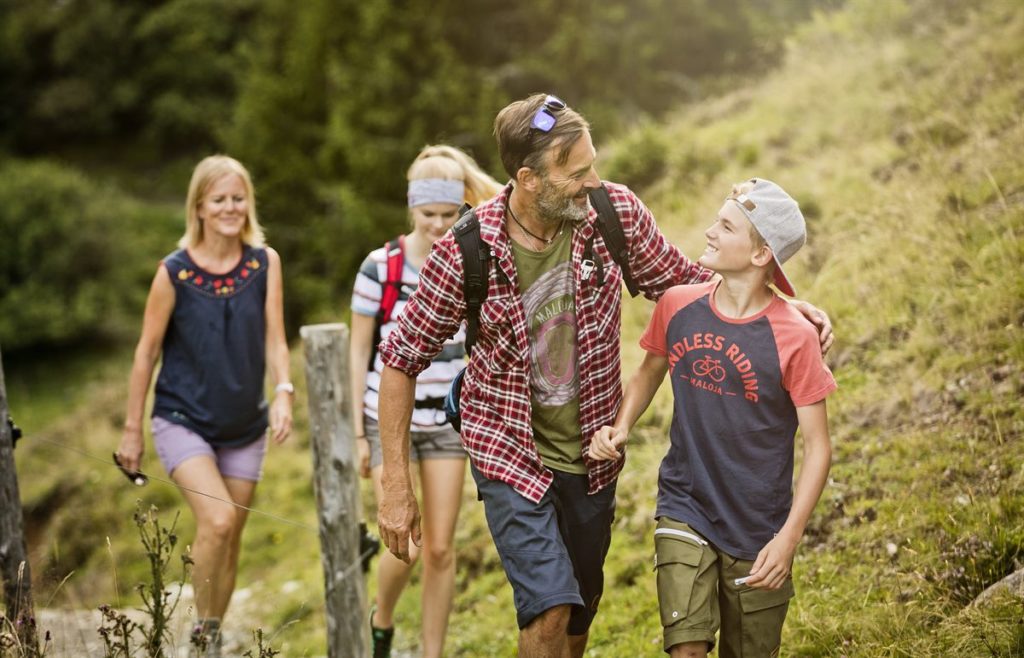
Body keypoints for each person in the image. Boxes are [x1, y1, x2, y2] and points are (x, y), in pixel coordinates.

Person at [374, 94, 833, 658]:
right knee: (549, 610)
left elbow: (688, 287)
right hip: (507, 449)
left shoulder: (612, 214)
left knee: (576, 620)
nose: (594, 180)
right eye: (578, 171)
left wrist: (788, 308)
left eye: (593, 163)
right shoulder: (469, 251)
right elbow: (399, 357)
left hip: (592, 455)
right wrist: (396, 484)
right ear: (528, 178)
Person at [589, 178, 836, 657]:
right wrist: (621, 427)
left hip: (759, 528)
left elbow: (819, 446)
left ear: (762, 253)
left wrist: (789, 538)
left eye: (725, 226)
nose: (709, 231)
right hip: (685, 504)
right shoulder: (678, 305)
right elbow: (648, 372)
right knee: (687, 647)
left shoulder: (794, 337)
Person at [116, 155, 292, 658]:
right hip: (182, 419)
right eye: (219, 199)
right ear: (199, 206)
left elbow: (276, 341)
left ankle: (211, 635)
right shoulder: (173, 273)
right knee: (216, 522)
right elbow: (146, 353)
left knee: (232, 533)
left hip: (245, 422)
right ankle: (200, 639)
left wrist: (283, 390)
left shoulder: (264, 263)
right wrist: (132, 430)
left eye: (238, 198)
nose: (230, 208)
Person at [349, 145, 502, 658]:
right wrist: (357, 434)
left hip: (446, 419)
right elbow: (358, 353)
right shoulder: (380, 267)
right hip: (387, 418)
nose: (438, 226)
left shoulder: (469, 259)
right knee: (406, 545)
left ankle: (432, 652)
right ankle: (383, 620)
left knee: (439, 546)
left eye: (449, 214)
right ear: (411, 208)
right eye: (428, 214)